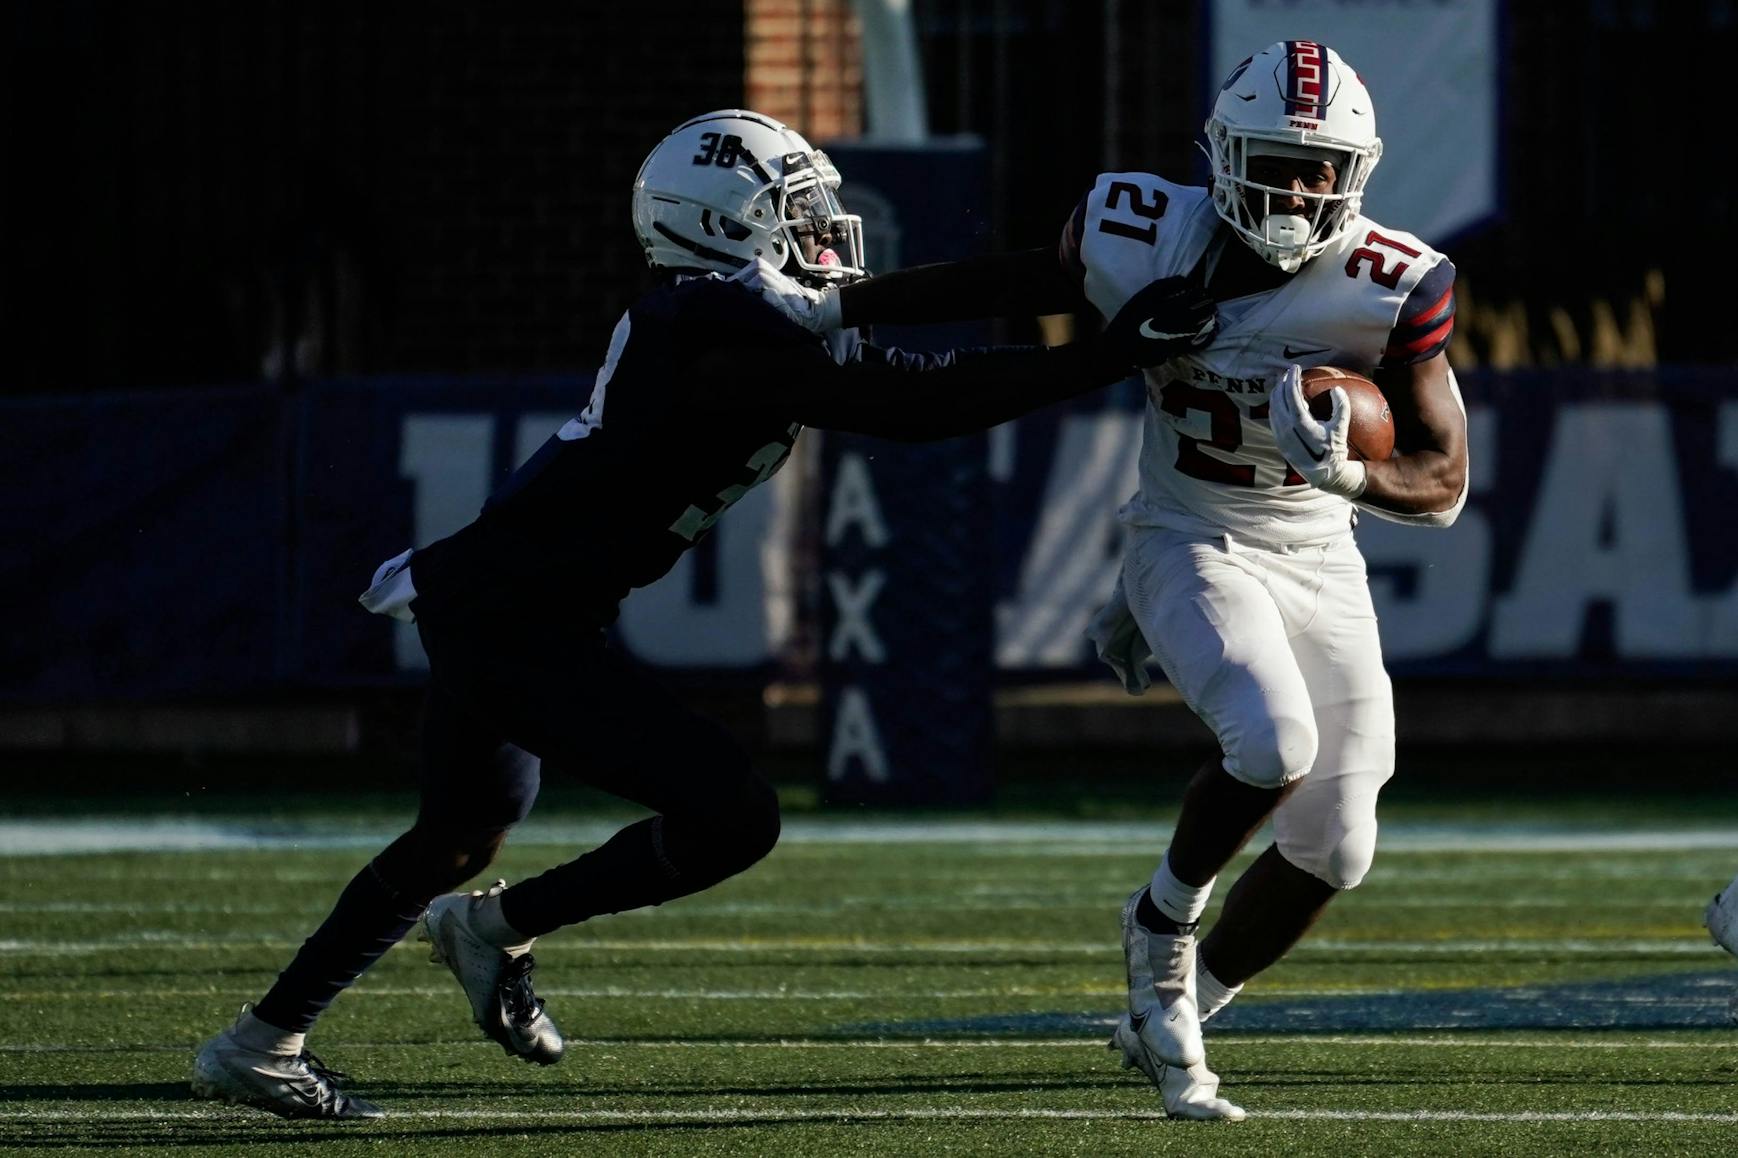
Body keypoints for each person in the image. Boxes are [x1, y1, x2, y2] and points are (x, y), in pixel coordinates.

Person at [188, 108, 1216, 1120]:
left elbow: (914, 326)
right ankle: (475, 938)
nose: (820, 230)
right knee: (730, 816)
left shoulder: (732, 315)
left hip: (510, 602)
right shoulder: (708, 327)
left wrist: (1082, 282)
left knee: (458, 834)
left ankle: (270, 1038)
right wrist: (1107, 354)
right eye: (795, 210)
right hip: (512, 617)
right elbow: (911, 403)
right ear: (726, 224)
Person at [762, 42, 1470, 1119]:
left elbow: (1444, 479)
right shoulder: (1140, 228)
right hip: (1188, 533)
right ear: (1223, 156)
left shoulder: (1391, 284)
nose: (1297, 191)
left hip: (1320, 551)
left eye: (1319, 171)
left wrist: (1349, 474)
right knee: (1272, 741)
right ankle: (1159, 925)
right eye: (1277, 165)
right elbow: (1010, 280)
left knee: (1337, 847)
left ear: (1354, 174)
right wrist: (843, 308)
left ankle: (1179, 1007)